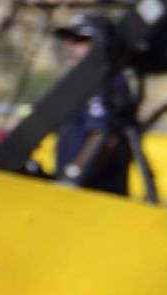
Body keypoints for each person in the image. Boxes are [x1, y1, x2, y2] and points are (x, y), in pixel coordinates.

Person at [52, 15, 137, 196]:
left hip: (91, 194)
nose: (70, 45)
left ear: (99, 42)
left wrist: (73, 176)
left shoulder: (102, 80)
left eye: (79, 39)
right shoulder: (85, 81)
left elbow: (102, 135)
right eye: (69, 39)